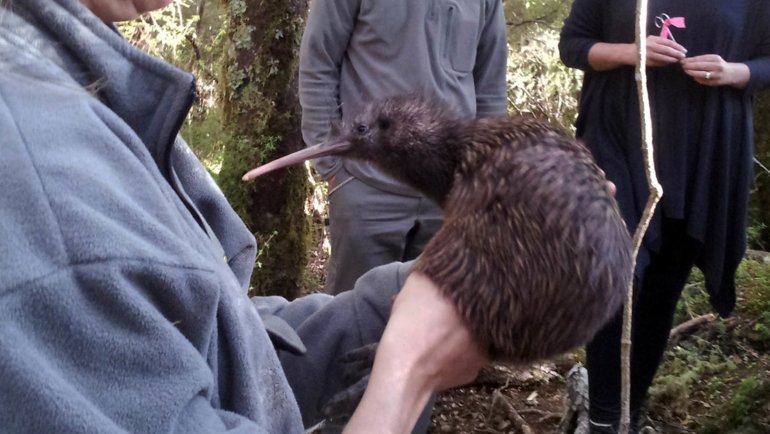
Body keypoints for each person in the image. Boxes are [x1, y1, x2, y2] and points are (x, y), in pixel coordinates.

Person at [0, 0, 488, 432]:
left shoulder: (79, 86)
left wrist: (384, 308)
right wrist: (406, 375)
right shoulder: (40, 172)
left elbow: (205, 341)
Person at [559, 0, 770, 432]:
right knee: (616, 272)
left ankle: (630, 414)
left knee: (662, 289)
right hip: (620, 137)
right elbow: (573, 46)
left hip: (706, 147)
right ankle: (601, 418)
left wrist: (736, 72)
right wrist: (629, 51)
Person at [298, 0, 509, 295]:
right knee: (351, 320)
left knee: (434, 319)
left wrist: (482, 174)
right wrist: (333, 167)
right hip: (366, 188)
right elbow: (318, 64)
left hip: (448, 195)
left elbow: (491, 87)